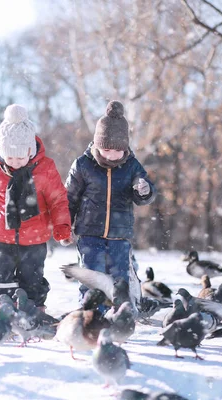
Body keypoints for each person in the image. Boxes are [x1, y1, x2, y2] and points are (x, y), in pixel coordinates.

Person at [0, 104, 72, 308]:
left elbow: (58, 200)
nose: (15, 162)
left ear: (30, 150)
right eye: (9, 156)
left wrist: (62, 226)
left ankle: (33, 309)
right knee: (1, 276)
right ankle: (4, 308)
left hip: (35, 237)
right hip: (2, 235)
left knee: (32, 277)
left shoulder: (45, 169)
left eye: (20, 157)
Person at [64, 100, 156, 309]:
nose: (112, 155)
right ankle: (91, 312)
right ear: (97, 143)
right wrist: (65, 225)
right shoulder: (83, 165)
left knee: (119, 277)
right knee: (92, 275)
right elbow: (69, 197)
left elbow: (144, 193)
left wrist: (144, 190)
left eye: (118, 151)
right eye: (106, 149)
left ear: (125, 148)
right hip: (89, 232)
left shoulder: (131, 166)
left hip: (119, 234)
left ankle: (119, 312)